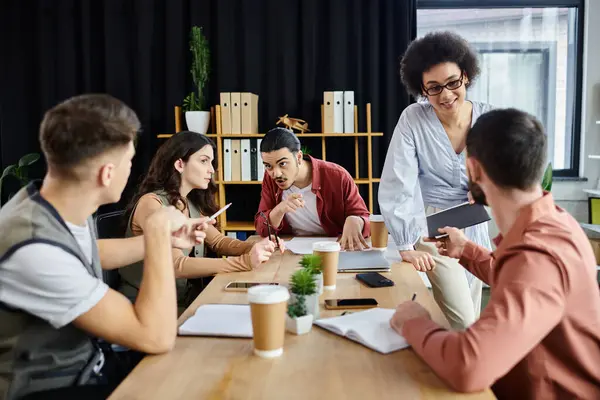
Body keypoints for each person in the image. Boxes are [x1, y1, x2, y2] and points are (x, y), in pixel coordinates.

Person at [0, 94, 210, 400]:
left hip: (91, 363)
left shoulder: (55, 203)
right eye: (129, 161)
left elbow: (87, 254)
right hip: (52, 387)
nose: (131, 170)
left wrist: (163, 241)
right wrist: (155, 234)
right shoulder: (33, 248)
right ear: (107, 173)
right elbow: (156, 337)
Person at [390, 108, 600, 399]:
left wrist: (413, 322)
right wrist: (466, 250)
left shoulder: (537, 255)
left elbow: (469, 365)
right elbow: (521, 281)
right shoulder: (555, 223)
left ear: (473, 170)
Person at [379, 31, 492, 329]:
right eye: (434, 87)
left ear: (466, 76)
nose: (445, 95)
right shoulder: (413, 119)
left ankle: (458, 372)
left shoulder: (489, 119)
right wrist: (405, 241)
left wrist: (485, 190)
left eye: (453, 82)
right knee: (465, 322)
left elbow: (506, 174)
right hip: (434, 231)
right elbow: (397, 181)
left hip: (476, 228)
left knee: (472, 320)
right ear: (422, 89)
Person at [119, 131, 282, 308]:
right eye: (204, 161)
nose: (211, 169)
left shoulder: (190, 203)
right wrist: (244, 262)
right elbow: (177, 264)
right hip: (148, 306)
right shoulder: (151, 204)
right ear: (180, 164)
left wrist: (259, 247)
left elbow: (219, 241)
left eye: (211, 162)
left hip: (179, 301)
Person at [255, 127, 370, 250]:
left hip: (334, 249)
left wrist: (357, 220)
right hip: (290, 251)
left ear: (298, 157)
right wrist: (280, 209)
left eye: (282, 164)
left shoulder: (337, 176)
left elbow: (366, 220)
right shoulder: (270, 178)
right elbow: (262, 228)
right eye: (268, 166)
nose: (276, 174)